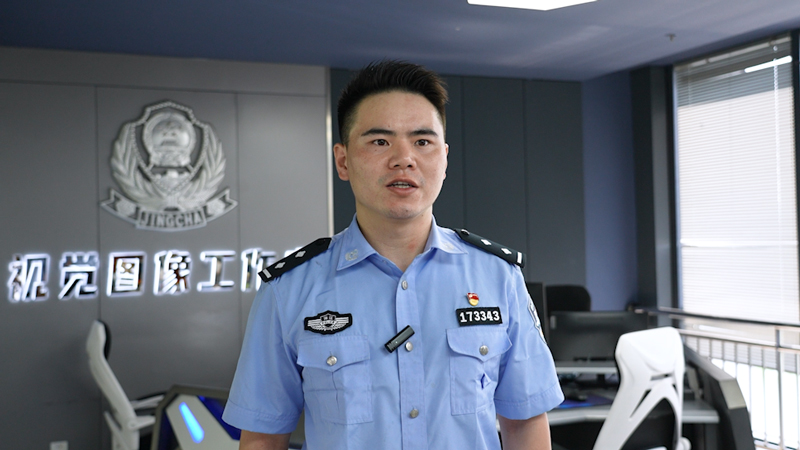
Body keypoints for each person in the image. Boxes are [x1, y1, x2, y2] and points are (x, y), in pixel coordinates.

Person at [222, 60, 564, 450]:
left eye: (422, 141)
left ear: (445, 158)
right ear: (343, 161)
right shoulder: (289, 290)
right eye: (380, 141)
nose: (404, 158)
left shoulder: (498, 278)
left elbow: (524, 423)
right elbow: (263, 437)